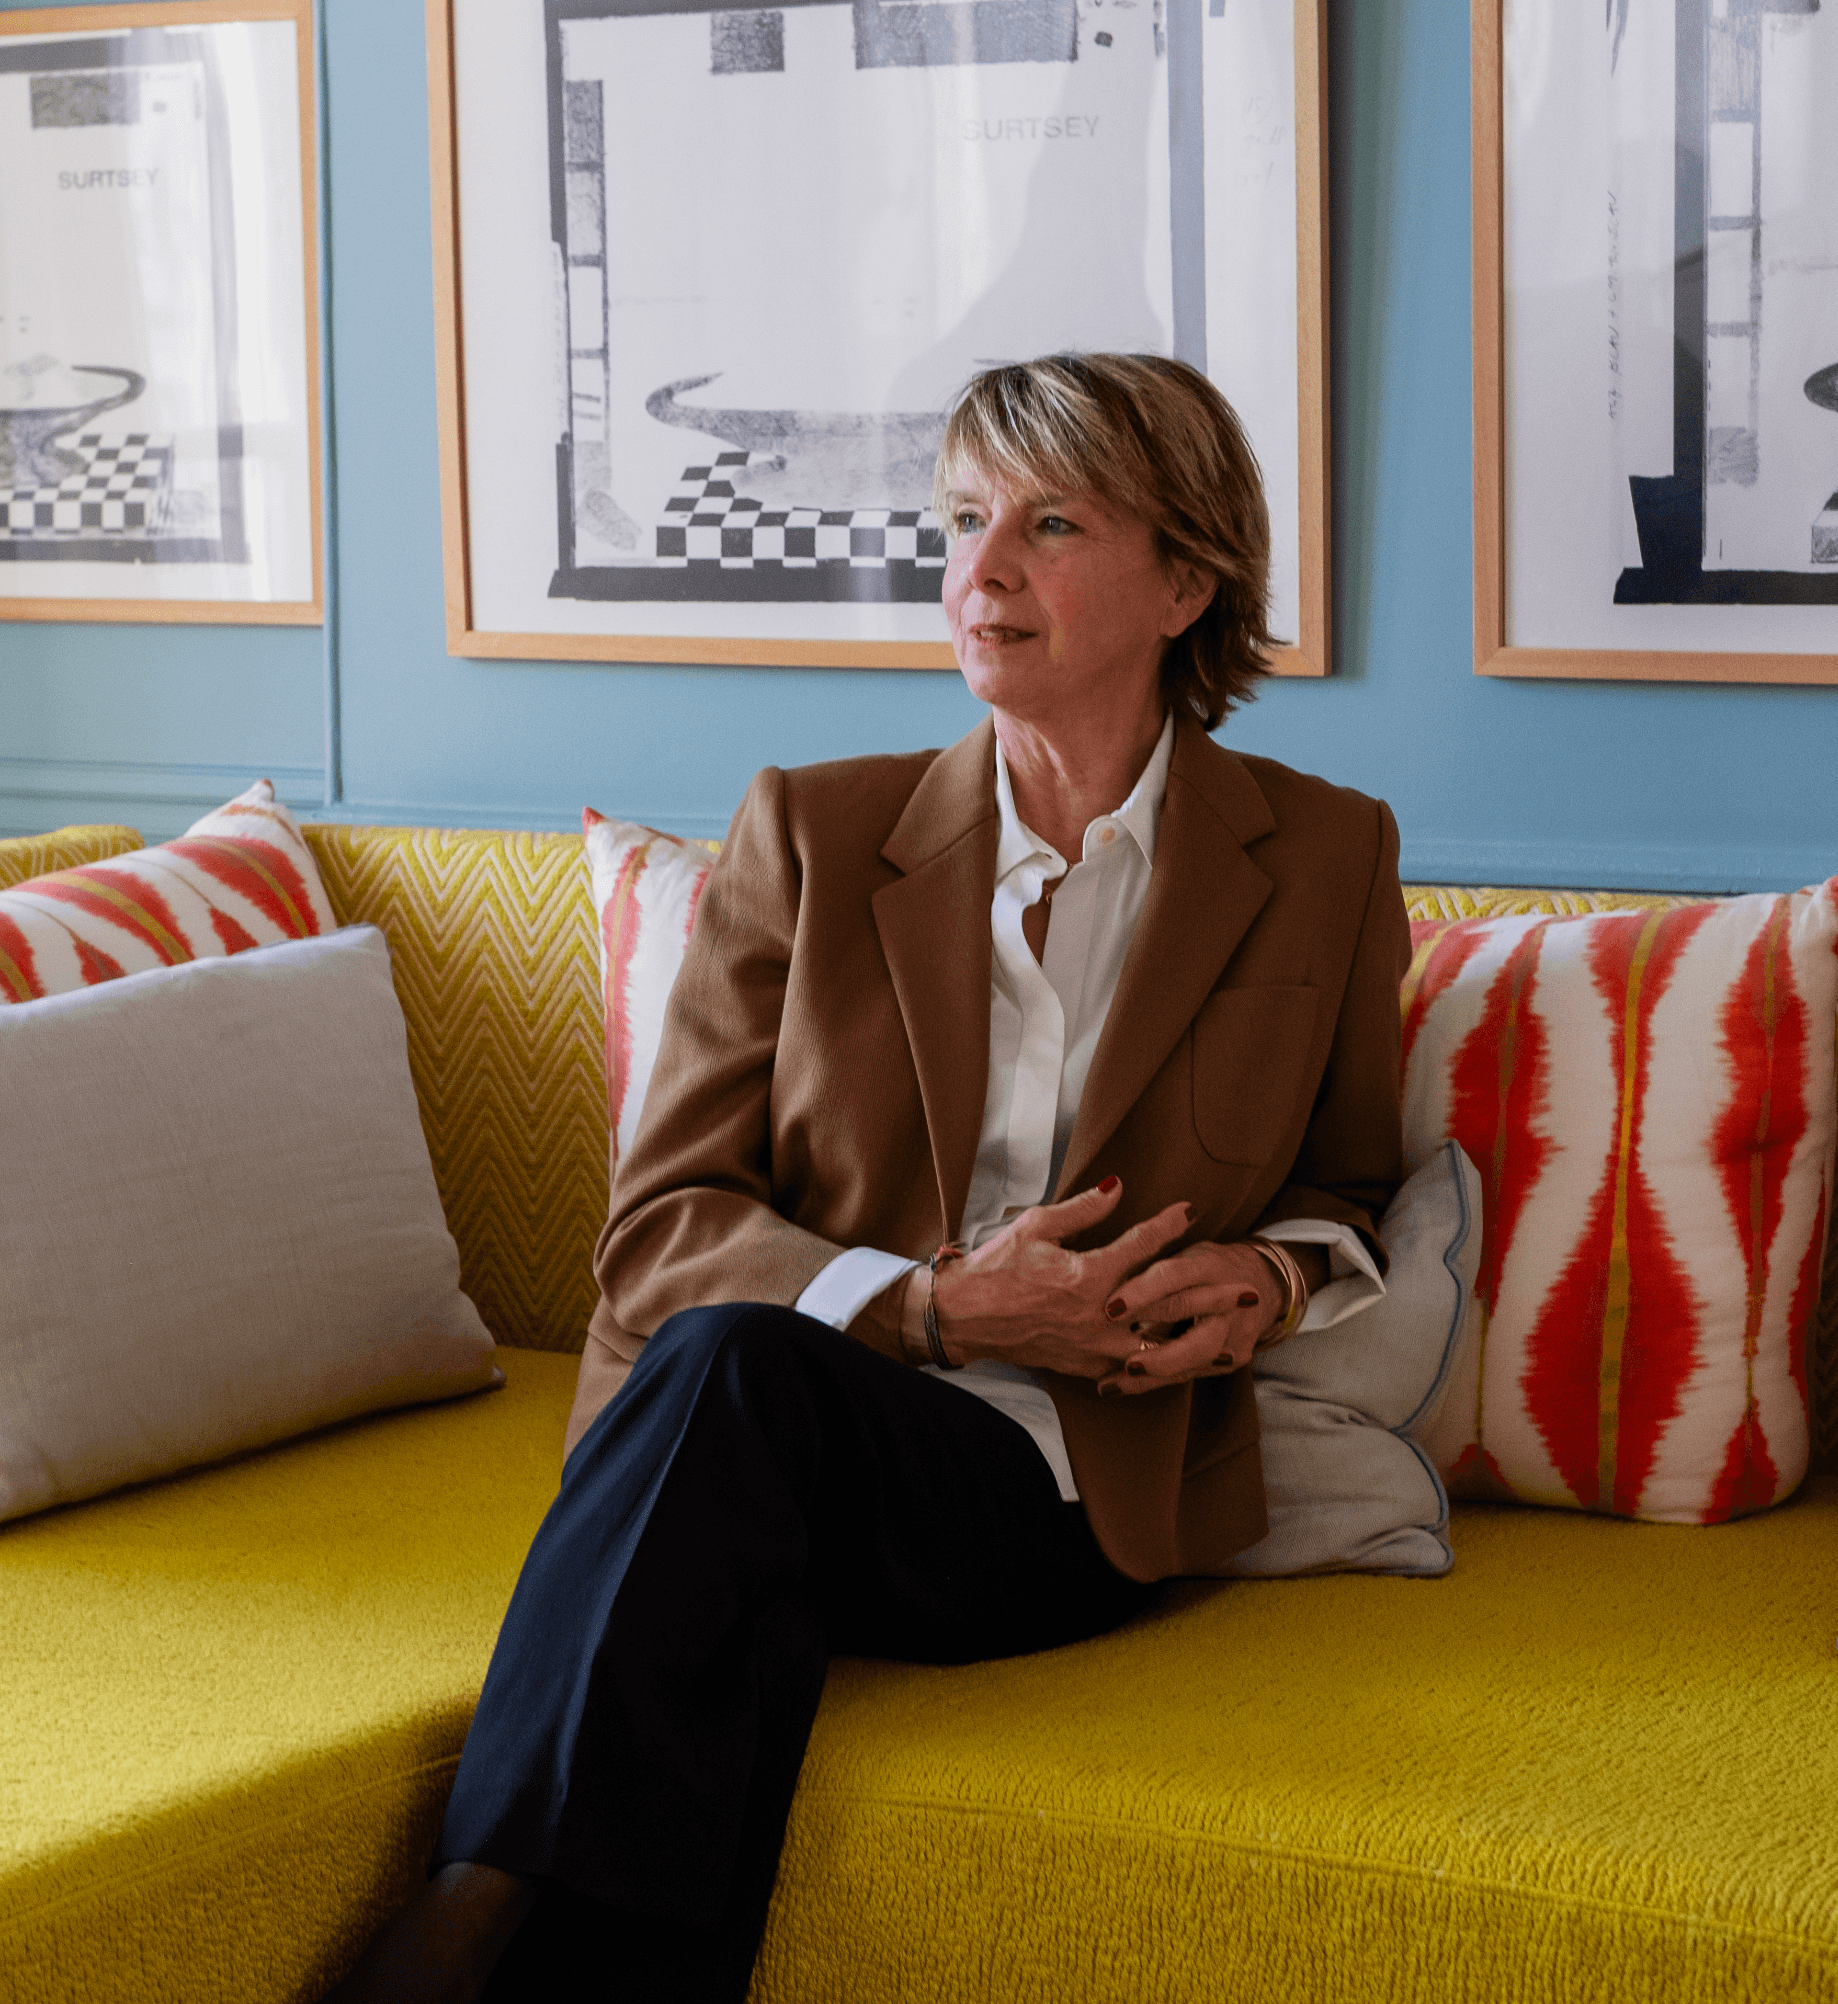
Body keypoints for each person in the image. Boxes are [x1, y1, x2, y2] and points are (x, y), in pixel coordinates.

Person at [328, 353, 1408, 2004]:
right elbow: (661, 1234)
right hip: (764, 1436)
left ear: (1186, 579)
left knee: (728, 1438)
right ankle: (505, 1938)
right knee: (731, 1499)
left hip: (1063, 1492)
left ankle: (469, 1913)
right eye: (965, 520)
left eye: (1048, 525)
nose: (979, 574)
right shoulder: (815, 835)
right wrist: (929, 1305)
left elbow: (1347, 1181)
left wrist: (1269, 1277)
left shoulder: (1321, 853)